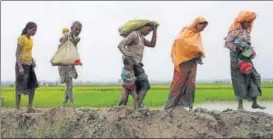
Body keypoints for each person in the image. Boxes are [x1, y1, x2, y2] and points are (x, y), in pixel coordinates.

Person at [164, 17, 208, 112]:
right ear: (197, 24)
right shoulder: (186, 31)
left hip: (192, 61)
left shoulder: (197, 35)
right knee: (178, 81)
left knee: (190, 82)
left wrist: (198, 56)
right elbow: (179, 41)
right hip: (182, 61)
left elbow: (197, 48)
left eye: (204, 28)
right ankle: (169, 105)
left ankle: (187, 105)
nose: (202, 29)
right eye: (202, 26)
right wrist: (189, 50)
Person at [224, 10, 265, 110]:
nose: (249, 24)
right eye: (248, 21)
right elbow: (227, 44)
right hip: (236, 58)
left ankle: (254, 102)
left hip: (246, 58)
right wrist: (237, 48)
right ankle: (240, 106)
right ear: (242, 21)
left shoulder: (246, 31)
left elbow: (247, 45)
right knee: (239, 80)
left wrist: (251, 52)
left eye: (251, 22)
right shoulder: (234, 31)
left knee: (254, 77)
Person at [117, 22, 158, 109]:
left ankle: (130, 108)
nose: (148, 33)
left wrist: (155, 31)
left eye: (150, 31)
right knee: (144, 85)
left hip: (137, 66)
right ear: (143, 27)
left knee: (132, 86)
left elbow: (152, 44)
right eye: (148, 30)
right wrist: (129, 56)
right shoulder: (134, 35)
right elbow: (121, 45)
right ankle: (136, 108)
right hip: (132, 65)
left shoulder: (141, 38)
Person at [15, 22, 39, 113]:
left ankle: (30, 107)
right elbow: (17, 53)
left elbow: (28, 52)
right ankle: (17, 108)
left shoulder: (31, 40)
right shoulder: (22, 38)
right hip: (21, 64)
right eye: (33, 30)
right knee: (20, 86)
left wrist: (33, 60)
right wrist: (20, 67)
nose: (34, 32)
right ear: (28, 29)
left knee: (33, 85)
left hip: (29, 64)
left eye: (35, 31)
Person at [58, 21, 82, 109]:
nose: (77, 31)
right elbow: (61, 42)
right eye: (76, 29)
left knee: (69, 85)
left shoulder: (77, 39)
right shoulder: (65, 36)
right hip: (63, 63)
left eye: (79, 30)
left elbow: (73, 49)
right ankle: (67, 104)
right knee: (69, 85)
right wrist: (66, 36)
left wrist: (78, 61)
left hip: (70, 64)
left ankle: (68, 104)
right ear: (71, 28)